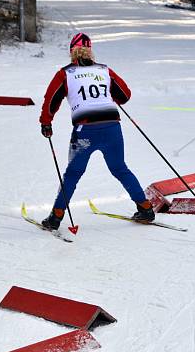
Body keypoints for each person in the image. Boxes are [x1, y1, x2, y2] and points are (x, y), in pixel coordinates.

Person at [38, 32, 154, 229]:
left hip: (85, 131)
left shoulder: (65, 73)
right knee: (120, 169)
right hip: (112, 128)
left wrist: (46, 122)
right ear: (90, 52)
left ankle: (56, 217)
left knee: (73, 173)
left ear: (71, 53)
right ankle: (145, 208)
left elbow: (51, 101)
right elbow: (125, 95)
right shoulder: (104, 71)